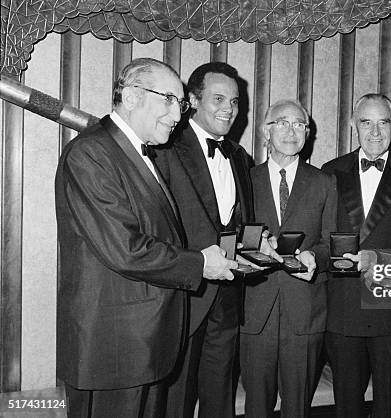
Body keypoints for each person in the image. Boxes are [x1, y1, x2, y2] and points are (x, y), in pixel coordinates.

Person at [55, 58, 237, 418]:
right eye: (169, 100)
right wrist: (199, 264)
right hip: (114, 349)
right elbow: (125, 249)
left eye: (181, 104)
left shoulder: (139, 152)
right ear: (132, 96)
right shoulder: (91, 153)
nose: (178, 114)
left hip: (143, 344)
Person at [156, 62, 279, 418]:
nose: (229, 108)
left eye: (236, 101)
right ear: (192, 101)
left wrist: (260, 245)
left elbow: (239, 224)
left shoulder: (240, 156)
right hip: (184, 294)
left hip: (227, 294)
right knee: (175, 399)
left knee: (219, 393)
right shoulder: (166, 146)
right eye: (219, 98)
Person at [321, 93, 391, 418]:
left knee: (390, 405)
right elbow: (320, 238)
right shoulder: (330, 171)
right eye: (366, 122)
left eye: (383, 122)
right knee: (346, 406)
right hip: (343, 308)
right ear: (353, 126)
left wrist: (378, 258)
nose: (374, 132)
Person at [239, 99, 337, 417]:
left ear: (307, 133)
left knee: (298, 407)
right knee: (257, 406)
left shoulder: (324, 182)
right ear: (266, 131)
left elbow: (331, 241)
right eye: (282, 122)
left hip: (305, 309)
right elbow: (229, 235)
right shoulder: (244, 181)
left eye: (298, 124)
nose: (291, 130)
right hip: (255, 309)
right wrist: (250, 246)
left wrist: (314, 257)